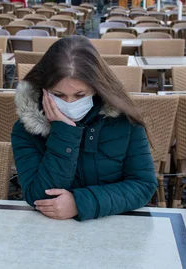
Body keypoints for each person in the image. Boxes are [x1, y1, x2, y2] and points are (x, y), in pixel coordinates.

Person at [11, 36, 157, 221]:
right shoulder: (25, 131)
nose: (70, 103)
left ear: (96, 89)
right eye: (58, 95)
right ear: (44, 90)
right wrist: (64, 133)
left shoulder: (124, 121)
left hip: (115, 228)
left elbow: (143, 185)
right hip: (52, 234)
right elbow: (39, 197)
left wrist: (80, 203)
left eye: (80, 95)